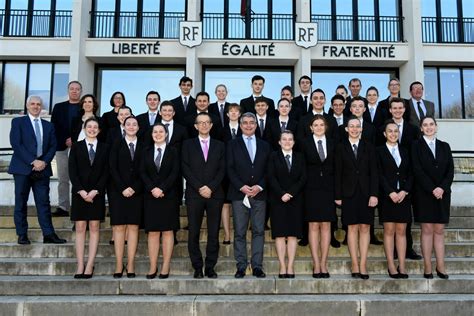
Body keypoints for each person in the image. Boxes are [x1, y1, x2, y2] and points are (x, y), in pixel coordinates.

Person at [9, 96, 67, 245]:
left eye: (38, 104)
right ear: (27, 106)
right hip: (22, 168)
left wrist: (44, 162)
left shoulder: (48, 126)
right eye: (33, 104)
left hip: (42, 169)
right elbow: (16, 144)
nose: (36, 106)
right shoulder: (18, 122)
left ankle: (48, 234)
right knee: (20, 202)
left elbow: (53, 146)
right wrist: (33, 161)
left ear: (41, 107)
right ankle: (22, 234)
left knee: (44, 203)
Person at [182, 113, 226, 279]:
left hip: (215, 195)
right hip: (195, 194)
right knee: (193, 232)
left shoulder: (220, 145)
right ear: (195, 126)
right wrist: (200, 187)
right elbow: (185, 168)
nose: (204, 125)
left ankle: (210, 267)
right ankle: (197, 267)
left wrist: (211, 187)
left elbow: (222, 169)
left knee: (213, 233)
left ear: (211, 125)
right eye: (201, 123)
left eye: (207, 122)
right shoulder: (187, 145)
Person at [227, 112, 271, 278]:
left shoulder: (265, 145)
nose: (248, 125)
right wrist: (241, 187)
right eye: (244, 123)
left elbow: (269, 169)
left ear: (256, 125)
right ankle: (241, 266)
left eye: (251, 122)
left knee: (259, 231)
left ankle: (257, 266)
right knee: (239, 232)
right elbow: (229, 168)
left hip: (259, 195)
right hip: (239, 195)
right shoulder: (232, 144)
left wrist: (260, 186)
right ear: (240, 125)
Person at [335, 116, 378, 280]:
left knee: (365, 228)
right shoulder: (340, 147)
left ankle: (363, 264)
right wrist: (338, 195)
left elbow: (374, 172)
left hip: (366, 194)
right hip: (348, 194)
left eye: (357, 126)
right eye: (351, 126)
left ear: (361, 129)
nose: (354, 129)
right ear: (346, 129)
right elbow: (337, 172)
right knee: (352, 228)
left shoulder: (369, 147)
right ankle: (354, 264)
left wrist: (374, 194)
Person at [411, 116, 454, 279]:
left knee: (439, 230)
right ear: (421, 128)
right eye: (425, 125)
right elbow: (417, 169)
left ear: (436, 127)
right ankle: (428, 266)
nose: (428, 127)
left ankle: (441, 266)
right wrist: (432, 188)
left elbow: (450, 170)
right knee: (427, 229)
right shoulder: (415, 146)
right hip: (423, 193)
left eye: (431, 124)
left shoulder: (445, 146)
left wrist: (442, 188)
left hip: (443, 194)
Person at [69, 117, 109, 279]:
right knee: (79, 228)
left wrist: (95, 191)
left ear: (99, 130)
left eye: (95, 127)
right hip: (80, 194)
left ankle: (90, 264)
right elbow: (72, 171)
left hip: (96, 194)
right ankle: (80, 264)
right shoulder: (76, 147)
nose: (92, 129)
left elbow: (107, 171)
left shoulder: (105, 148)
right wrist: (81, 191)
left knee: (94, 227)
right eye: (89, 127)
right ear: (84, 129)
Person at [140, 123, 180, 279]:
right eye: (155, 132)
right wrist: (153, 188)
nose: (158, 134)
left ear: (166, 133)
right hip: (151, 197)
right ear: (151, 135)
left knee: (168, 231)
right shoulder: (146, 151)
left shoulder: (174, 151)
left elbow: (175, 172)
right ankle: (152, 266)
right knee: (153, 232)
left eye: (161, 131)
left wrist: (162, 188)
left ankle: (165, 266)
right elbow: (142, 172)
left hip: (168, 196)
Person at [301, 115, 337, 278]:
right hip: (311, 189)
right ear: (311, 127)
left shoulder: (333, 143)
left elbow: (338, 168)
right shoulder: (304, 143)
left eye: (321, 124)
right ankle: (316, 264)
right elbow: (300, 167)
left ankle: (324, 263)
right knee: (314, 225)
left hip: (329, 189)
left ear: (326, 126)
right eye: (315, 124)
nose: (319, 127)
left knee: (326, 226)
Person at [267, 130, 306, 278]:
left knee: (292, 234)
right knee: (280, 234)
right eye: (284, 139)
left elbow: (303, 177)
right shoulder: (273, 156)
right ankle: (282, 266)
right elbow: (271, 177)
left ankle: (290, 266)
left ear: (294, 142)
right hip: (278, 200)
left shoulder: (300, 157)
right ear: (279, 142)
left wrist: (291, 193)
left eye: (290, 139)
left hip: (295, 200)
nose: (287, 142)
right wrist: (281, 193)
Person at [377, 120, 413, 279]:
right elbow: (379, 174)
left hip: (403, 197)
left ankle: (402, 265)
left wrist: (404, 191)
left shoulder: (405, 151)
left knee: (402, 231)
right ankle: (391, 265)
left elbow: (412, 173)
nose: (393, 134)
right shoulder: (378, 151)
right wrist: (390, 192)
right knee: (389, 231)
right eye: (390, 131)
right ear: (384, 134)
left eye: (395, 131)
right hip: (387, 197)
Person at [108, 116, 143, 278]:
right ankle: (118, 264)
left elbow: (145, 170)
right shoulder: (115, 144)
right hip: (118, 192)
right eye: (128, 124)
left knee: (134, 227)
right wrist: (123, 188)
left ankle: (130, 264)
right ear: (123, 126)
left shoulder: (144, 145)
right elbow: (112, 168)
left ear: (138, 127)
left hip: (137, 192)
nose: (131, 126)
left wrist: (134, 188)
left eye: (134, 124)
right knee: (119, 228)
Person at [387, 97, 422, 260]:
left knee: (406, 219)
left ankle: (408, 248)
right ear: (390, 110)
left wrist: (407, 187)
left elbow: (417, 155)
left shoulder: (413, 129)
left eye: (400, 108)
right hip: (389, 184)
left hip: (408, 180)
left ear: (404, 109)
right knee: (392, 221)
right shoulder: (383, 128)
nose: (398, 110)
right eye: (394, 108)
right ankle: (393, 249)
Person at [50, 81, 82, 217]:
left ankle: (79, 206)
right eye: (72, 89)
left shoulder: (84, 107)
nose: (74, 91)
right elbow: (54, 127)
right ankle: (63, 207)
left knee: (80, 178)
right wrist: (66, 140)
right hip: (61, 147)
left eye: (77, 89)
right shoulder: (58, 107)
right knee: (63, 178)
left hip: (79, 148)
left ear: (80, 91)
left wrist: (74, 140)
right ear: (68, 90)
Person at [220, 103, 242, 244]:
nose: (233, 113)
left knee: (242, 204)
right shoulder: (220, 131)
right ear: (227, 114)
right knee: (226, 204)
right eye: (231, 111)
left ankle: (241, 233)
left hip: (242, 173)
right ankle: (227, 235)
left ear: (239, 114)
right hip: (225, 173)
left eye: (236, 111)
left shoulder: (246, 129)